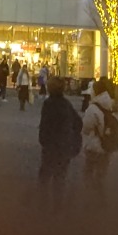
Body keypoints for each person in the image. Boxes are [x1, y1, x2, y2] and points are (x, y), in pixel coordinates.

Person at [38, 76, 82, 211]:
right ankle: (58, 205)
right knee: (60, 177)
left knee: (44, 176)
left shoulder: (49, 104)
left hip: (51, 146)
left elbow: (45, 125)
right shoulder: (66, 104)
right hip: (65, 146)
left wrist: (44, 140)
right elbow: (78, 123)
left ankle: (42, 204)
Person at [82, 76, 115, 203]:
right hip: (106, 144)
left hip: (94, 145)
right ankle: (101, 198)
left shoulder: (93, 108)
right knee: (101, 174)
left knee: (88, 172)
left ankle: (90, 199)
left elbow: (86, 127)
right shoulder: (108, 104)